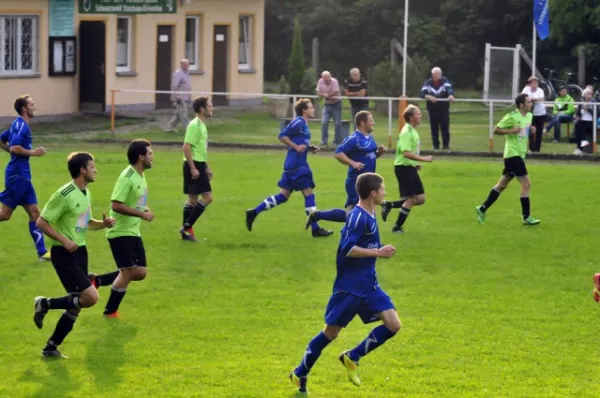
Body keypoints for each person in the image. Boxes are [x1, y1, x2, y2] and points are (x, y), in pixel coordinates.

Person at [289, 173, 400, 395]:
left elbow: (345, 215)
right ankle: (299, 373)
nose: (385, 191)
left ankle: (353, 356)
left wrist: (319, 215)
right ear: (373, 193)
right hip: (349, 287)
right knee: (330, 333)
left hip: (369, 285)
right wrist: (378, 251)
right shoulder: (360, 217)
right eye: (383, 188)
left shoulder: (368, 210)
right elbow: (347, 249)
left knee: (393, 324)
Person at [33, 152, 116, 358]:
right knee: (90, 297)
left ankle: (51, 347)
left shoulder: (86, 193)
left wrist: (102, 224)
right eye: (92, 166)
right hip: (63, 253)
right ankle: (45, 303)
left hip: (81, 252)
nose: (95, 169)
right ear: (82, 170)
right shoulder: (64, 193)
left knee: (77, 305)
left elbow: (86, 223)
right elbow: (41, 222)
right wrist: (64, 240)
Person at [245, 98, 333, 238]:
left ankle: (253, 212)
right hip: (298, 166)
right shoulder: (298, 122)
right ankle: (315, 229)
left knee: (283, 196)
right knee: (309, 194)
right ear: (304, 110)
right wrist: (296, 147)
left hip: (293, 164)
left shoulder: (304, 124)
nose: (313, 109)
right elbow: (282, 136)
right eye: (311, 107)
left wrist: (309, 148)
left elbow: (299, 142)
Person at [89, 140, 154, 317]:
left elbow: (134, 201)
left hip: (132, 231)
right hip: (119, 231)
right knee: (127, 273)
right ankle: (110, 311)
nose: (152, 157)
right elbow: (116, 205)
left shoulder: (140, 175)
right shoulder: (127, 177)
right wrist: (141, 215)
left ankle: (98, 280)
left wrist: (143, 209)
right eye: (149, 153)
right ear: (141, 157)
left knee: (140, 272)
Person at [305, 111, 385, 228]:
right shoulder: (353, 138)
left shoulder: (371, 139)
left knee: (361, 212)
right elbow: (338, 153)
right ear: (362, 123)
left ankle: (317, 215)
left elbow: (369, 157)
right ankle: (372, 242)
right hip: (356, 182)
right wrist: (353, 163)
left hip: (369, 182)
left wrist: (379, 153)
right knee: (362, 212)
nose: (373, 123)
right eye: (371, 120)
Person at [475, 93, 540, 225]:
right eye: (528, 102)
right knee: (527, 184)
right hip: (512, 154)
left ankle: (482, 208)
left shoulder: (529, 116)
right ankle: (526, 217)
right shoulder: (511, 117)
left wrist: (530, 129)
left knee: (502, 185)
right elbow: (496, 130)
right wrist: (511, 131)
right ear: (521, 105)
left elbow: (523, 132)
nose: (531, 104)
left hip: (519, 154)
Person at [0, 95, 50, 261]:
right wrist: (34, 153)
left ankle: (42, 253)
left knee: (35, 214)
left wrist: (15, 154)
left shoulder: (17, 124)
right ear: (24, 109)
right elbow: (14, 147)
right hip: (17, 177)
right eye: (31, 105)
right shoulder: (21, 126)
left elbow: (2, 141)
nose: (34, 107)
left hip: (23, 177)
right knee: (5, 215)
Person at [380, 105, 432, 234]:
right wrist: (424, 159)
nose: (421, 116)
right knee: (412, 198)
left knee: (420, 198)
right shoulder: (407, 132)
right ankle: (397, 227)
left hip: (408, 166)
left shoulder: (412, 130)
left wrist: (414, 164)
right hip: (403, 167)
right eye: (418, 114)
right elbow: (406, 153)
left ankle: (389, 205)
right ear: (411, 117)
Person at [180, 96, 213, 242]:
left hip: (199, 164)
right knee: (208, 198)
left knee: (193, 199)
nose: (212, 107)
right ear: (202, 109)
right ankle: (187, 226)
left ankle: (185, 232)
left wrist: (206, 167)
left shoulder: (202, 125)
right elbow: (186, 147)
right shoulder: (194, 125)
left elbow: (200, 149)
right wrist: (193, 168)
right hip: (193, 164)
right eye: (209, 105)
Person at [420, 67, 455, 151]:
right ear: (433, 75)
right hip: (432, 109)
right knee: (434, 128)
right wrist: (428, 96)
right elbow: (421, 93)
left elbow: (449, 88)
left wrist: (450, 94)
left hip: (444, 109)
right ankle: (435, 146)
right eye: (438, 73)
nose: (440, 75)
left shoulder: (445, 81)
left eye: (440, 73)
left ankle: (446, 146)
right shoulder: (427, 83)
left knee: (445, 127)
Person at [316, 71, 343, 146]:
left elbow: (336, 92)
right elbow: (318, 92)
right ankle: (324, 141)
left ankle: (337, 141)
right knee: (324, 123)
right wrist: (324, 95)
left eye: (328, 77)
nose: (326, 79)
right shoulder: (320, 81)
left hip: (336, 104)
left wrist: (328, 95)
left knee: (337, 124)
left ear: (330, 76)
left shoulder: (334, 81)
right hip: (327, 105)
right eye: (325, 78)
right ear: (322, 78)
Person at [521, 76, 546, 152]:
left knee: (539, 131)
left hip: (540, 113)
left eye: (536, 82)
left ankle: (537, 149)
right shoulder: (526, 89)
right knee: (531, 131)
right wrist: (532, 100)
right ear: (530, 83)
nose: (535, 84)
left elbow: (541, 98)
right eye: (533, 82)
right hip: (530, 114)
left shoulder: (540, 90)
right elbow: (523, 98)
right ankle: (531, 148)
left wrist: (531, 99)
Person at [166, 59, 192, 132]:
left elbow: (187, 85)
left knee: (178, 114)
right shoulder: (178, 73)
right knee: (183, 113)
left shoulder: (187, 73)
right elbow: (175, 85)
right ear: (181, 65)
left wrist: (189, 95)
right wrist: (177, 96)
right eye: (185, 64)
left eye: (188, 64)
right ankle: (189, 129)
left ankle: (169, 128)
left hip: (185, 96)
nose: (187, 66)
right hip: (180, 97)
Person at [572, 88, 597, 155]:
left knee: (584, 135)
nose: (590, 95)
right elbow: (578, 112)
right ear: (585, 94)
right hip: (582, 120)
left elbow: (597, 113)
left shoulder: (594, 102)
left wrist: (588, 109)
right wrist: (577, 117)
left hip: (590, 121)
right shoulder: (581, 101)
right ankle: (579, 148)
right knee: (578, 131)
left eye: (591, 93)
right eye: (588, 93)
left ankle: (583, 149)